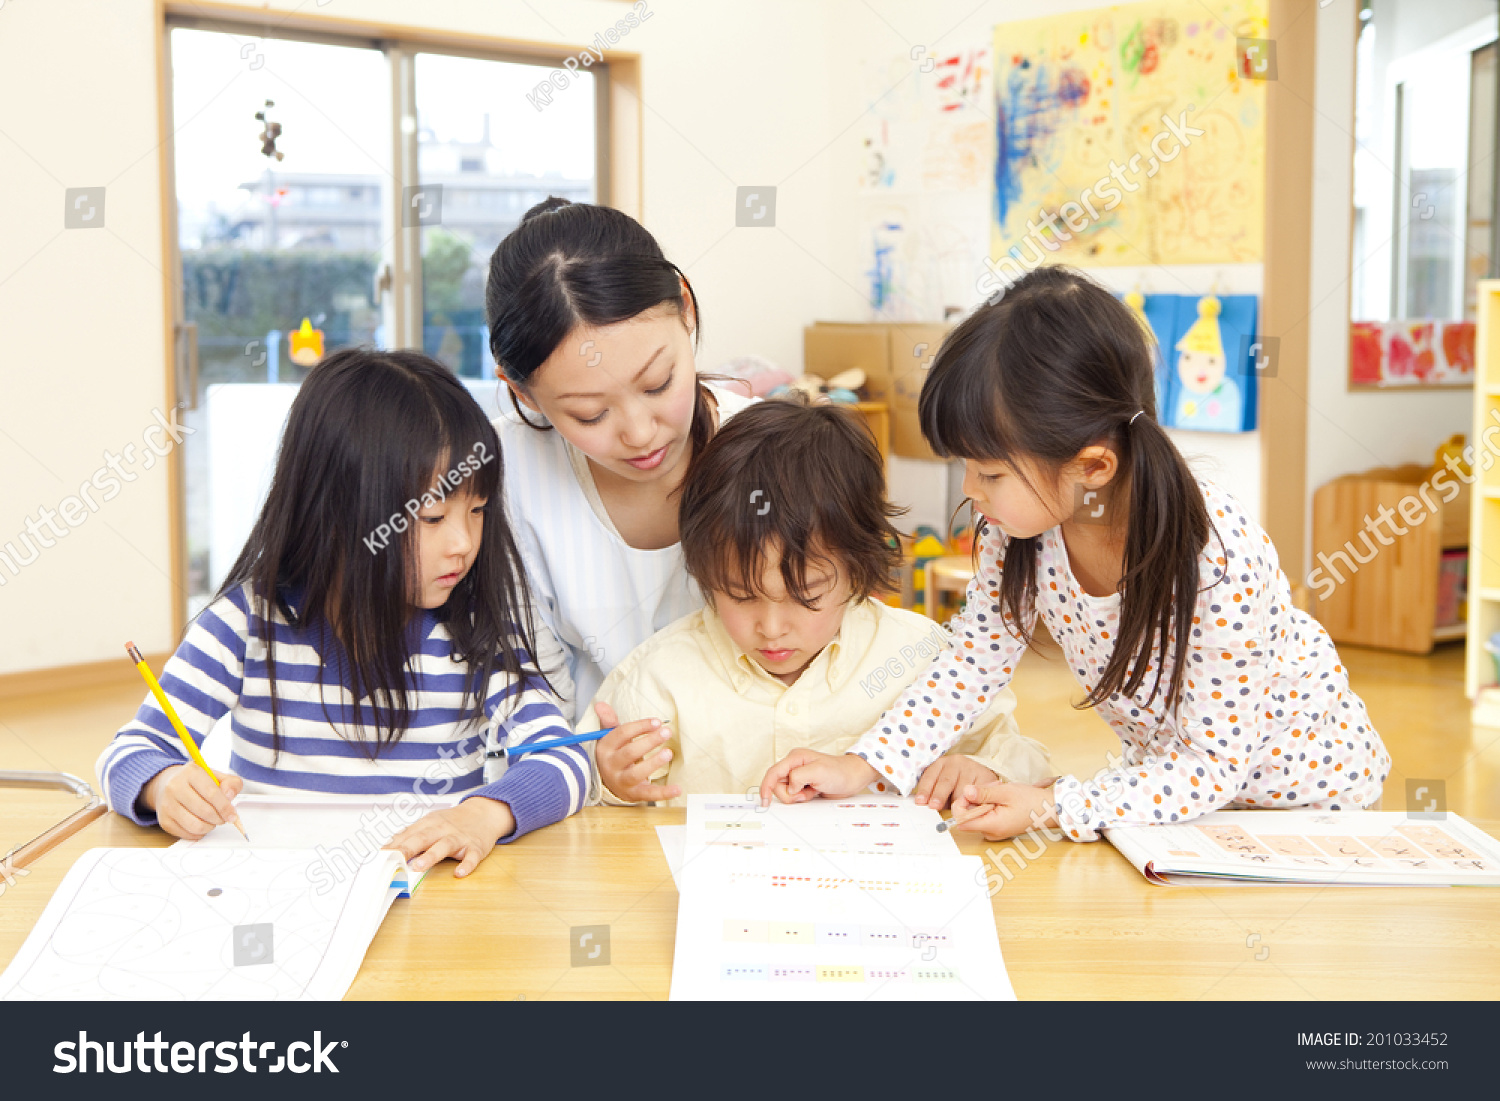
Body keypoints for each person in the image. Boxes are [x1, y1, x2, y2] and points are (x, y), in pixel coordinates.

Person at [760, 266, 1390, 841]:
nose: (972, 494)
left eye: (990, 474)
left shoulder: (1215, 556)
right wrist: (866, 764)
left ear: (1092, 465)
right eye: (966, 470)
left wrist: (1053, 805)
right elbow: (969, 664)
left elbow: (1212, 764)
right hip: (1170, 803)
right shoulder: (1017, 533)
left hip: (1307, 803)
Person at [96, 349, 657, 877]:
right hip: (278, 896)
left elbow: (563, 762)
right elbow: (130, 752)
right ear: (338, 512)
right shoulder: (244, 625)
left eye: (478, 510)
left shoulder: (479, 633)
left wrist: (481, 816)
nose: (463, 542)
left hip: (425, 900)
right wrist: (164, 785)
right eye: (434, 518)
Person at [582, 398, 1050, 807]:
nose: (770, 627)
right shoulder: (660, 678)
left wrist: (985, 771)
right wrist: (608, 781)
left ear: (859, 567)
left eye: (805, 597)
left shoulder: (922, 657)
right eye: (740, 595)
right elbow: (581, 790)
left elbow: (1024, 757)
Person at [485, 198, 756, 711]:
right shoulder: (502, 474)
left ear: (686, 309)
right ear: (522, 393)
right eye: (590, 414)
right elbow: (519, 692)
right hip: (579, 777)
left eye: (658, 384)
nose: (638, 433)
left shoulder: (773, 449)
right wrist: (590, 763)